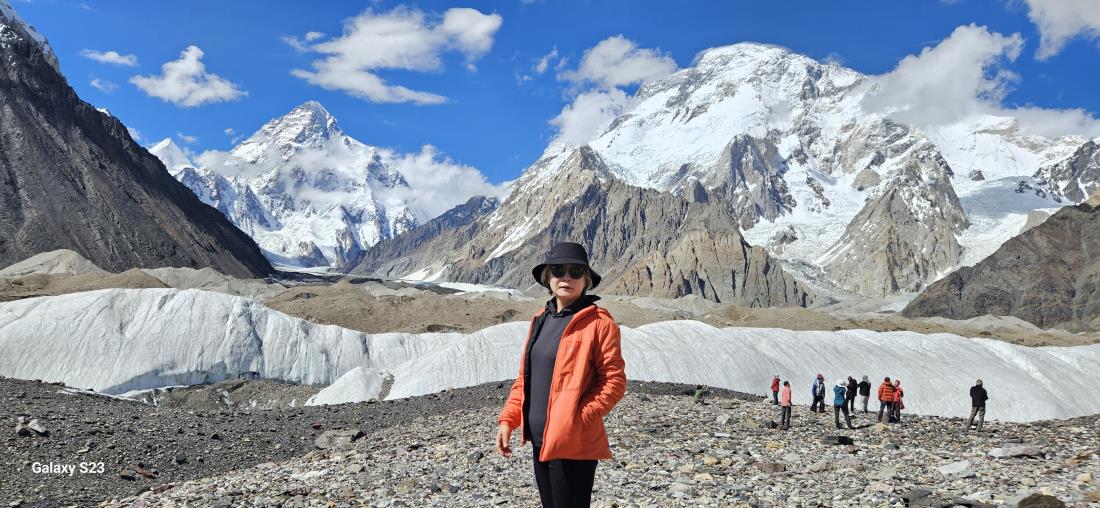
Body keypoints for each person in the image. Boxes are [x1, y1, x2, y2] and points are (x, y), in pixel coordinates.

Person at [496, 242, 627, 508]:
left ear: (586, 279)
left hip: (573, 442)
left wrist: (579, 418)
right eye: (558, 270)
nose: (566, 277)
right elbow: (525, 379)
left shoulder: (600, 323)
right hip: (540, 440)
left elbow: (614, 381)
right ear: (548, 277)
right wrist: (508, 419)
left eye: (575, 272)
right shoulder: (540, 319)